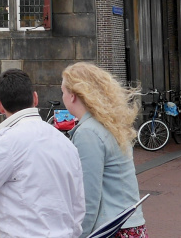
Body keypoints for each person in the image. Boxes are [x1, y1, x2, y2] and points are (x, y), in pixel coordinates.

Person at [0, 69, 85, 238]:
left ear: (0, 106)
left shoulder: (6, 141)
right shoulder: (65, 141)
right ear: (35, 98)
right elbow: (78, 204)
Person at [61, 62, 146, 238]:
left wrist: (80, 235)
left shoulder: (88, 132)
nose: (62, 96)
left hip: (109, 229)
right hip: (128, 224)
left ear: (73, 96)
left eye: (63, 91)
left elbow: (88, 198)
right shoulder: (109, 125)